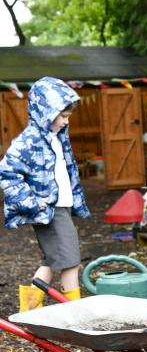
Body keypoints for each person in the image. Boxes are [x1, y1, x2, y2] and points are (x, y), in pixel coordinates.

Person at [0, 77, 90, 312]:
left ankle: (28, 312)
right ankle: (76, 313)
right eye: (61, 116)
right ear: (44, 112)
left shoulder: (57, 137)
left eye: (67, 116)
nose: (65, 121)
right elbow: (6, 172)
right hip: (49, 210)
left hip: (62, 207)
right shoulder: (28, 141)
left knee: (52, 259)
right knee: (70, 262)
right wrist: (31, 203)